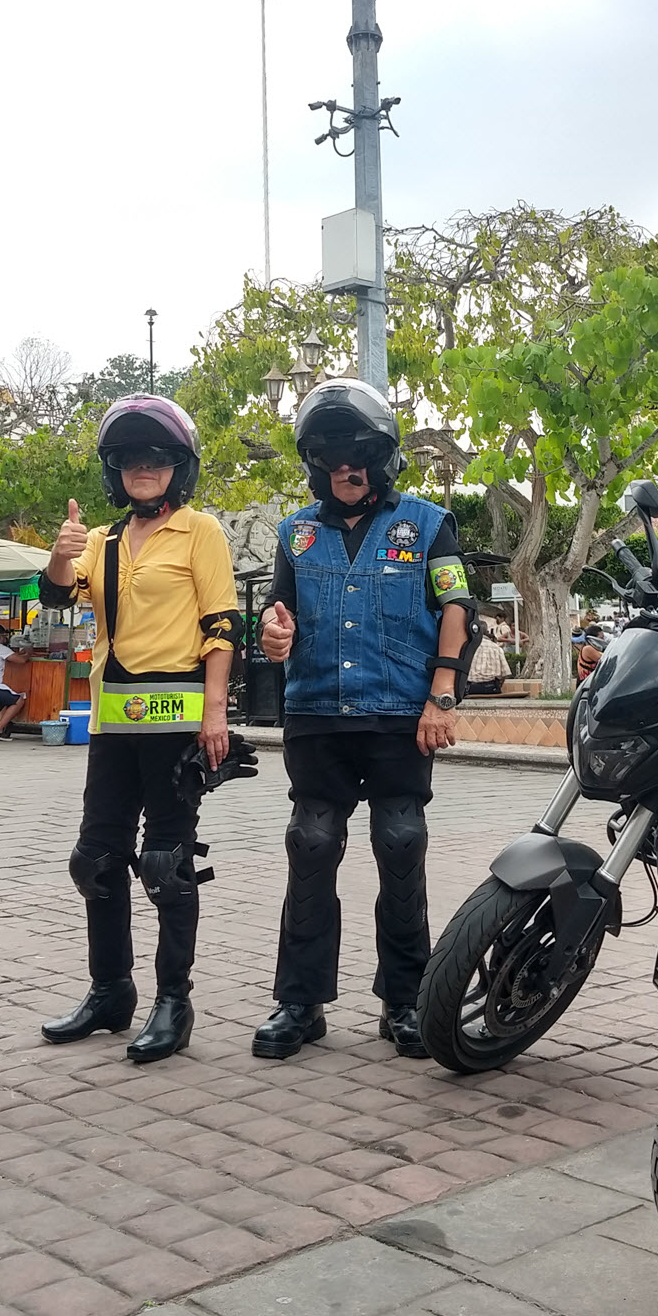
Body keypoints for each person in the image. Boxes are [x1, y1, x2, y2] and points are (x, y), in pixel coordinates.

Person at [255, 380, 479, 1059]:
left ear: (381, 458)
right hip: (317, 711)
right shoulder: (296, 532)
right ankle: (299, 1003)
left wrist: (442, 694)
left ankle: (406, 1000)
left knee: (401, 840)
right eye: (326, 460)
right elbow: (277, 611)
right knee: (312, 843)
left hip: (397, 714)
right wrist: (273, 634)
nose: (341, 472)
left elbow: (457, 611)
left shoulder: (427, 522)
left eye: (355, 459)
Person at [37, 396, 248, 1063]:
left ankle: (172, 1001)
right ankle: (110, 992)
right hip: (111, 719)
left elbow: (221, 626)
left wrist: (216, 712)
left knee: (166, 863)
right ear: (114, 471)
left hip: (178, 717)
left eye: (157, 458)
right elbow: (55, 598)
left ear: (178, 467)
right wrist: (60, 555)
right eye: (130, 458)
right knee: (96, 860)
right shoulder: (98, 542)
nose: (143, 468)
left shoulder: (200, 531)